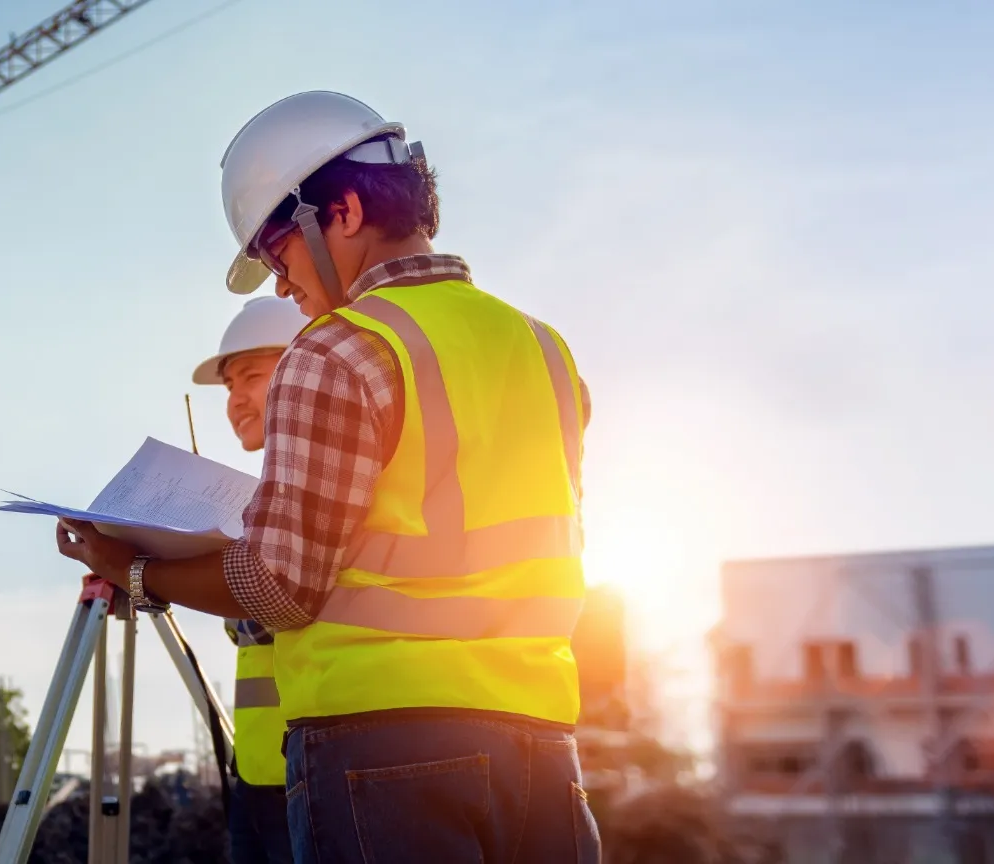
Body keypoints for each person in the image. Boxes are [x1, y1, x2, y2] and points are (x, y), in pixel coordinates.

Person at [57, 91, 599, 862]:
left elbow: (279, 586)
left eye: (279, 255)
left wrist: (133, 570)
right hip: (544, 748)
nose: (282, 286)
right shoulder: (546, 350)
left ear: (341, 211)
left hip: (386, 754)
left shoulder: (338, 349)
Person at [191, 295, 308, 864]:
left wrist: (147, 572)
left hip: (309, 777)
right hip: (258, 774)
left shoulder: (315, 491)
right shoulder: (257, 504)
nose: (235, 400)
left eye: (252, 378)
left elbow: (274, 610)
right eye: (229, 385)